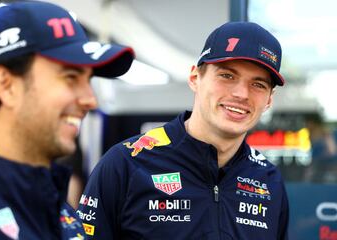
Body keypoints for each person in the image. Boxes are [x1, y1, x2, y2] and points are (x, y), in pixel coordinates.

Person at [77, 22, 289, 239]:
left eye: (258, 84)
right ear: (195, 78)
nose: (242, 93)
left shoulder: (268, 180)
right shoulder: (126, 163)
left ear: (269, 100)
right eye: (227, 76)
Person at [0, 1, 134, 239]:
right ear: (6, 85)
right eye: (70, 77)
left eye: (88, 79)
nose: (91, 100)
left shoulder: (62, 214)